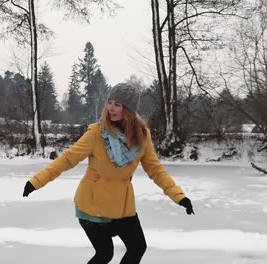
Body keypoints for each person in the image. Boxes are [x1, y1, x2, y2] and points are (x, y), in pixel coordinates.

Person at [22, 83, 194, 264]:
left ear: (128, 109)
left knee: (137, 247)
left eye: (117, 104)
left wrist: (179, 197)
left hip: (122, 207)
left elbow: (155, 170)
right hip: (93, 205)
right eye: (109, 102)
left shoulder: (142, 135)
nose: (111, 108)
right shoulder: (97, 133)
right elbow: (67, 159)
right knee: (105, 254)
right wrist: (35, 182)